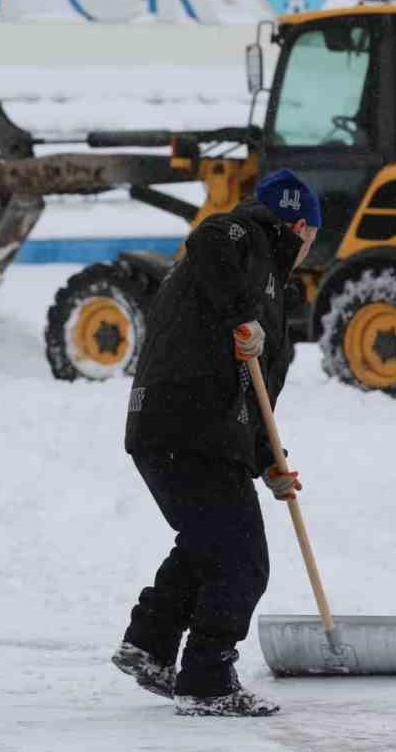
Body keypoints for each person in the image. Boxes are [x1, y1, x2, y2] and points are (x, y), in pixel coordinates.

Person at [112, 169, 322, 718]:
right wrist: (242, 317)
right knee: (242, 560)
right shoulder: (244, 239)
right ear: (301, 227)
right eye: (312, 238)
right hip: (189, 424)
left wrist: (268, 462)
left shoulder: (267, 281)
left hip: (179, 427)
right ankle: (207, 678)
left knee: (209, 545)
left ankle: (150, 645)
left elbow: (254, 395)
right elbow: (208, 236)